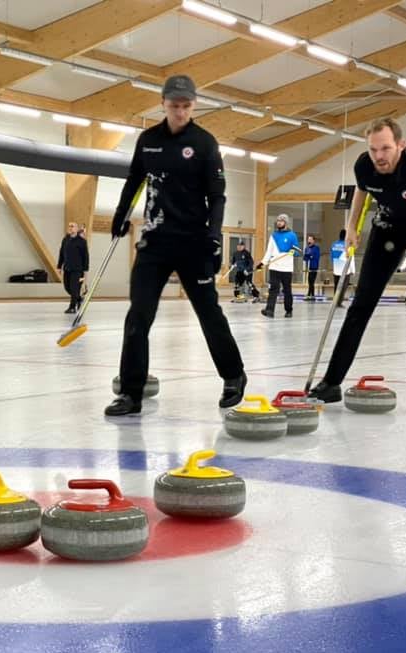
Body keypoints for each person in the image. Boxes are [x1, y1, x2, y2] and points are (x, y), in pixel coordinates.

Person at [105, 74, 246, 416]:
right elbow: (134, 181)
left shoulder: (204, 143)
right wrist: (121, 215)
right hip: (154, 242)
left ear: (193, 105)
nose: (180, 112)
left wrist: (214, 236)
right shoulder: (148, 140)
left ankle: (233, 375)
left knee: (208, 313)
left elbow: (217, 195)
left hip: (194, 242)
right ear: (163, 104)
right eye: (174, 106)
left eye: (185, 106)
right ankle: (131, 392)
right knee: (138, 315)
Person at [307, 117, 406, 415]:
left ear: (400, 146)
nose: (379, 155)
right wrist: (352, 225)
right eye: (373, 149)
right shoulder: (364, 166)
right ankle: (331, 383)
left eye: (386, 149)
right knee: (361, 304)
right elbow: (362, 191)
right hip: (389, 228)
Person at [259, 213, 298, 318]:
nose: (279, 223)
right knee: (273, 289)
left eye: (281, 221)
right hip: (274, 267)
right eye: (278, 221)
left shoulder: (292, 235)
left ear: (285, 223)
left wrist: (292, 252)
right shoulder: (273, 236)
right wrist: (262, 263)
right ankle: (270, 311)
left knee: (287, 290)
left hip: (287, 268)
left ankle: (289, 310)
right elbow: (268, 252)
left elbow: (297, 251)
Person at [57, 221, 89, 314]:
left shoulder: (82, 241)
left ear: (76, 228)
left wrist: (85, 270)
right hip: (67, 269)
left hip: (77, 270)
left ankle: (72, 307)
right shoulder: (65, 239)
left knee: (74, 288)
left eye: (73, 226)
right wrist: (59, 266)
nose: (70, 227)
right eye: (69, 226)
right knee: (67, 288)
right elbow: (61, 253)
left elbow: (85, 257)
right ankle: (79, 299)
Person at [330, 229, 355, 306]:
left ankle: (335, 301)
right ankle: (339, 302)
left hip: (336, 267)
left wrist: (334, 266)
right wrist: (352, 270)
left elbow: (331, 256)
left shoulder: (334, 244)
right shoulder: (348, 246)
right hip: (344, 269)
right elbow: (351, 259)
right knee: (343, 287)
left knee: (336, 286)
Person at [303, 234, 321, 301]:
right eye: (308, 239)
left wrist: (310, 256)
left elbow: (316, 257)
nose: (309, 241)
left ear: (314, 240)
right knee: (309, 282)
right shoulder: (307, 248)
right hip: (308, 267)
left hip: (314, 267)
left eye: (310, 239)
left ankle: (310, 295)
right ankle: (311, 295)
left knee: (311, 282)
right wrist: (309, 256)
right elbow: (305, 258)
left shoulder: (316, 248)